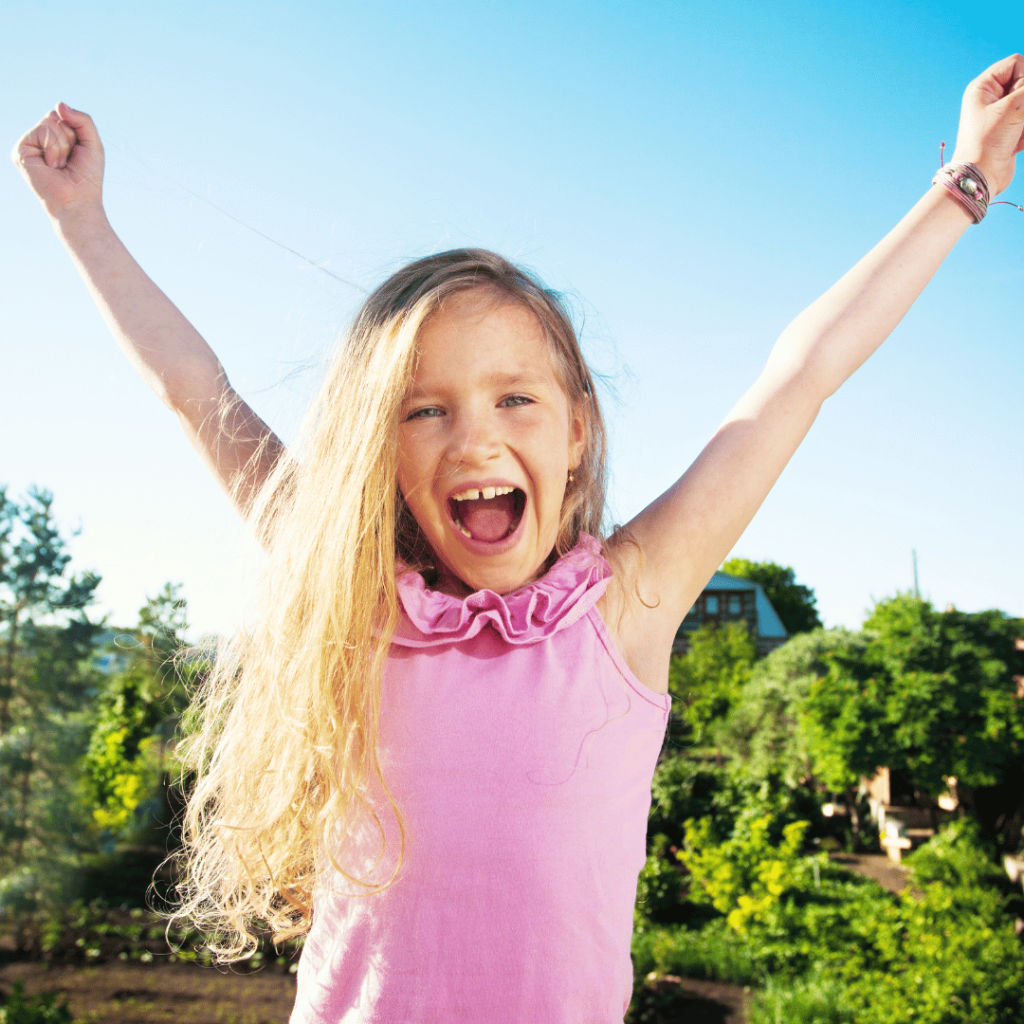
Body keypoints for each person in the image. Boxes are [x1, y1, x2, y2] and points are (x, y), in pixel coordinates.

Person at [12, 55, 1024, 1023]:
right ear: (382, 451)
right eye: (425, 410)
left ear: (577, 430)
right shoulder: (347, 587)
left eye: (514, 398)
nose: (476, 436)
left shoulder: (626, 605)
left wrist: (965, 182)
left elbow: (796, 377)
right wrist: (81, 220)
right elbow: (202, 397)